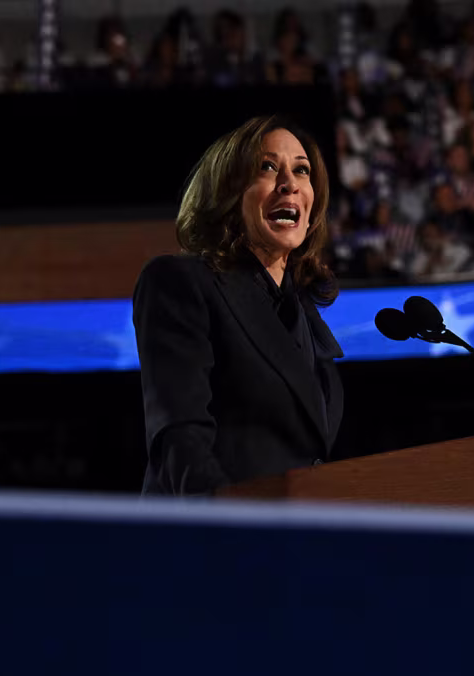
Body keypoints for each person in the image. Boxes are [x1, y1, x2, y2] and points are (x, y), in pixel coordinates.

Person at [133, 116, 343, 495]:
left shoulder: (302, 310)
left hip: (296, 525)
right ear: (226, 193)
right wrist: (235, 521)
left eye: (301, 170)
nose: (290, 183)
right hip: (216, 526)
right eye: (267, 167)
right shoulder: (179, 282)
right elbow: (182, 440)